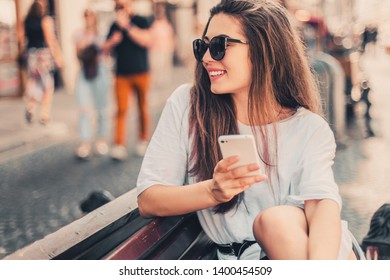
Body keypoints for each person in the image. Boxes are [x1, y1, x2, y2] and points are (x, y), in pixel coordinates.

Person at [137, 0, 363, 260]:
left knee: (277, 222)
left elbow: (322, 207)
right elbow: (149, 199)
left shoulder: (308, 128)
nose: (207, 58)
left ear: (264, 50)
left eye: (220, 46)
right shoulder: (188, 105)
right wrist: (213, 191)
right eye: (203, 46)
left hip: (308, 254)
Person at [102, 0, 153, 160]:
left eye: (122, 6)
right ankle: (118, 145)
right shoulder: (114, 25)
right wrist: (112, 42)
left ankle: (143, 140)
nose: (120, 10)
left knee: (142, 107)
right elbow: (104, 48)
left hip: (141, 72)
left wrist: (127, 27)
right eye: (117, 7)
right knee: (121, 110)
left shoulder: (140, 20)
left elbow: (146, 40)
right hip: (121, 74)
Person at [73, 9, 111, 159]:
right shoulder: (79, 34)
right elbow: (77, 53)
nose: (88, 19)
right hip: (84, 71)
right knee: (84, 108)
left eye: (90, 16)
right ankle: (85, 142)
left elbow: (107, 51)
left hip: (100, 71)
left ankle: (101, 140)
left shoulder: (102, 33)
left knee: (102, 108)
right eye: (86, 16)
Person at [20, 0, 63, 125]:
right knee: (48, 85)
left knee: (34, 83)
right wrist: (58, 57)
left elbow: (21, 38)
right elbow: (50, 40)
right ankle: (45, 114)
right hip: (42, 56)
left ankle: (31, 108)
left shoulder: (26, 20)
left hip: (31, 55)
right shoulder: (46, 20)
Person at [149, 2, 175, 87]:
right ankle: (156, 81)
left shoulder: (166, 23)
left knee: (165, 66)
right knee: (157, 66)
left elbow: (170, 35)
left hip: (166, 48)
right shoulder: (153, 24)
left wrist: (172, 45)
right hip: (157, 49)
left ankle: (164, 81)